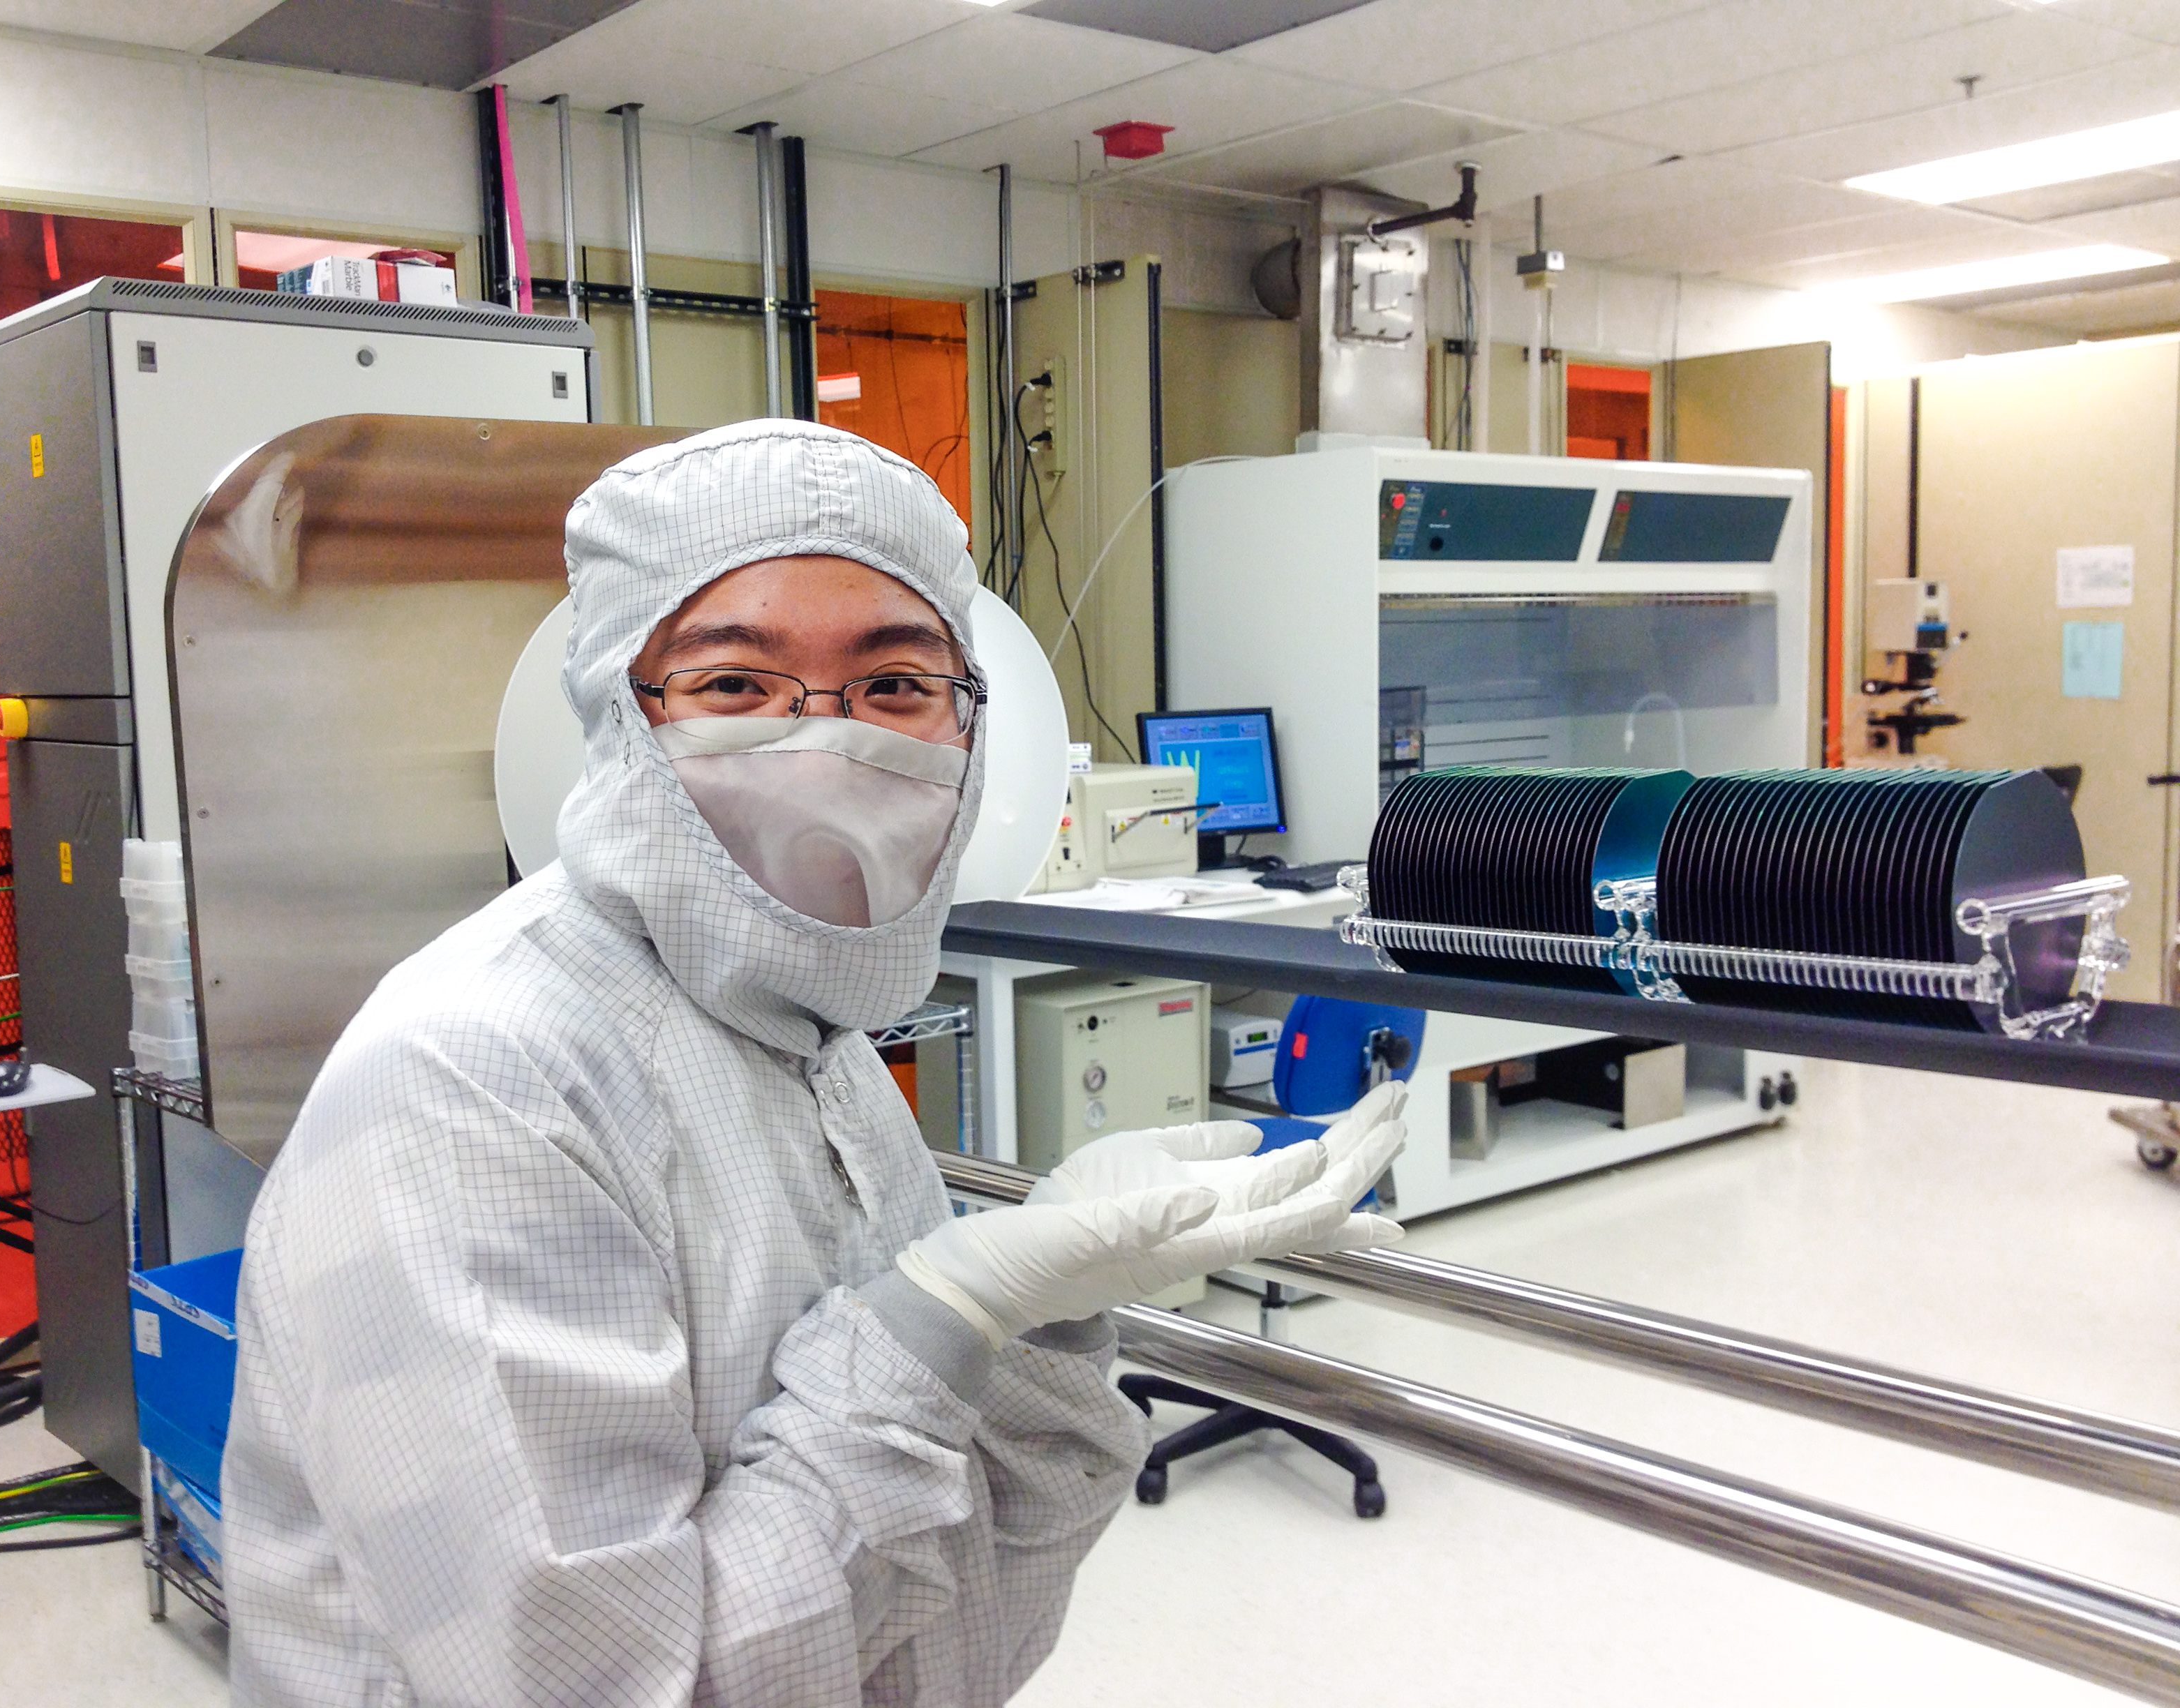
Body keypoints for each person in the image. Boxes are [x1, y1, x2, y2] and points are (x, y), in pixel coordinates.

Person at [223, 420, 1406, 1707]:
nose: (826, 745)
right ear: (621, 713)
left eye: (896, 686)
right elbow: (609, 1687)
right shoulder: (471, 1084)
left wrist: (1043, 1328)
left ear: (970, 719)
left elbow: (953, 1592)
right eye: (736, 685)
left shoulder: (810, 1032)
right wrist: (930, 1326)